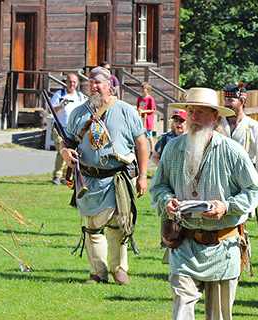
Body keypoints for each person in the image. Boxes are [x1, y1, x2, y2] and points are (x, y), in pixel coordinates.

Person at [150, 87, 258, 320]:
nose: (193, 117)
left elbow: (253, 191)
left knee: (219, 316)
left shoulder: (231, 151)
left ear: (215, 117)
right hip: (184, 243)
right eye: (190, 111)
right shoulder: (173, 148)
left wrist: (226, 207)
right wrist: (166, 201)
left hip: (223, 245)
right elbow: (158, 186)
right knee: (182, 309)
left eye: (201, 112)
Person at [60, 66, 149, 285]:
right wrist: (64, 151)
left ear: (108, 85)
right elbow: (66, 139)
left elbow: (142, 144)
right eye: (90, 82)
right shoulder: (79, 112)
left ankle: (119, 269)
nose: (93, 86)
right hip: (88, 180)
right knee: (91, 227)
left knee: (118, 225)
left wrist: (143, 176)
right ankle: (97, 273)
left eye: (98, 82)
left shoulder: (126, 110)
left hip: (115, 178)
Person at [220, 83, 258, 204]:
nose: (226, 104)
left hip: (244, 180)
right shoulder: (217, 123)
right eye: (225, 100)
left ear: (241, 101)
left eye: (231, 100)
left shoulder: (253, 126)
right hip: (221, 178)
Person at [50, 73, 88, 185]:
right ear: (66, 82)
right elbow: (50, 110)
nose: (72, 84)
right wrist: (61, 106)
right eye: (70, 81)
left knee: (72, 151)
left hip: (74, 129)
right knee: (62, 151)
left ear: (77, 83)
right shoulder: (60, 94)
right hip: (60, 128)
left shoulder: (80, 96)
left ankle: (67, 175)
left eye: (74, 82)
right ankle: (57, 175)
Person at [137, 82, 157, 153]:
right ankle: (142, 150)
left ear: (148, 90)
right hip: (141, 118)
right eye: (142, 88)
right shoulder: (139, 98)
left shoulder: (150, 99)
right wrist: (139, 111)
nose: (142, 90)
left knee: (149, 135)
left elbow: (153, 109)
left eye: (144, 89)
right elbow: (138, 108)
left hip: (147, 119)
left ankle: (152, 150)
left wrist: (144, 111)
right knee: (141, 135)